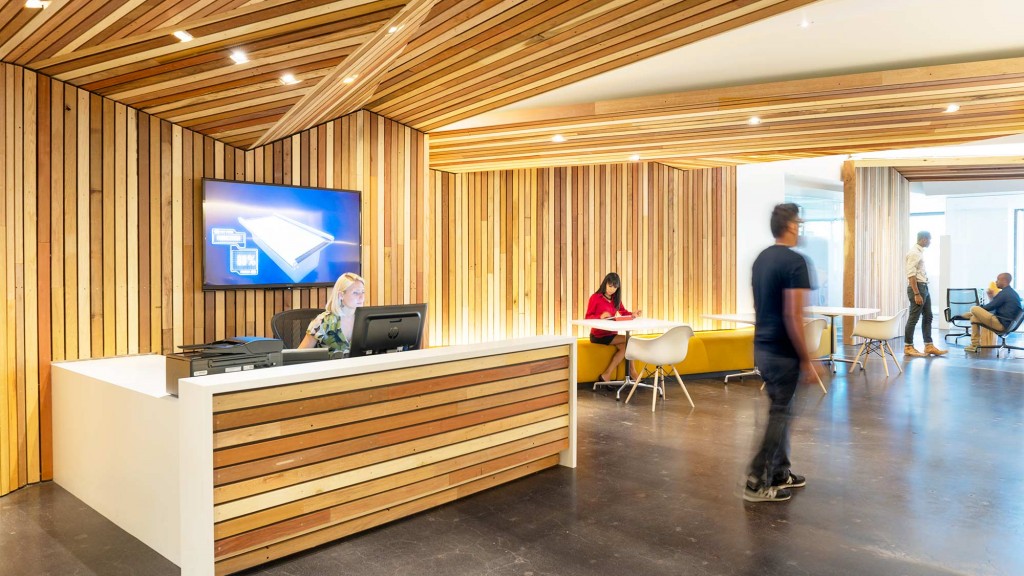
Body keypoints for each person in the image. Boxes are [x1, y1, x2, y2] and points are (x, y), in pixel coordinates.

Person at [744, 203, 820, 503]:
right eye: (798, 223)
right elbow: (794, 315)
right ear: (790, 226)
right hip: (783, 352)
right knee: (779, 414)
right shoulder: (796, 262)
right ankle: (756, 480)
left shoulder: (761, 260)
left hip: (761, 348)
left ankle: (779, 472)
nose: (800, 228)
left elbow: (760, 306)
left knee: (781, 411)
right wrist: (807, 359)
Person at [585, 272, 641, 383]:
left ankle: (606, 375)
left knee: (626, 347)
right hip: (598, 335)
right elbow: (587, 317)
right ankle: (633, 374)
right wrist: (600, 316)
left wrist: (633, 314)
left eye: (615, 287)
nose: (612, 289)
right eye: (610, 286)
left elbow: (623, 312)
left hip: (611, 334)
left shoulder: (616, 299)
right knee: (630, 342)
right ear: (605, 284)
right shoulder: (595, 298)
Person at [298, 272, 366, 354]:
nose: (361, 297)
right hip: (329, 366)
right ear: (341, 295)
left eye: (363, 292)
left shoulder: (365, 320)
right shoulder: (322, 321)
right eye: (355, 292)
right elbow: (298, 355)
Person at [903, 231, 947, 357]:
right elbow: (911, 274)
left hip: (924, 287)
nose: (930, 242)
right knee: (914, 318)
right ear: (923, 239)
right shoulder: (914, 253)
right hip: (918, 288)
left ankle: (929, 346)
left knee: (928, 316)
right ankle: (908, 346)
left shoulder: (919, 252)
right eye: (929, 240)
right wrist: (917, 293)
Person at [963, 273, 1022, 353]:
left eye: (997, 280)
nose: (996, 282)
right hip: (1007, 323)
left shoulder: (1005, 293)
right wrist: (991, 298)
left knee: (974, 308)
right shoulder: (1010, 292)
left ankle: (965, 315)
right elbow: (993, 307)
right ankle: (974, 345)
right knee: (974, 317)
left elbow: (989, 307)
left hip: (1002, 324)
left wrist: (978, 310)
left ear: (1004, 281)